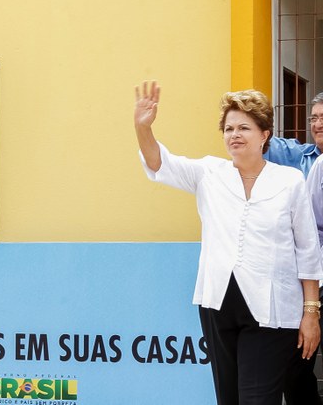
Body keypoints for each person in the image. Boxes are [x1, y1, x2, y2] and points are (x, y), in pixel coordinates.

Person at [134, 81, 323, 404]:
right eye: (229, 128)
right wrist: (143, 128)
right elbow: (159, 163)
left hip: (272, 311)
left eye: (244, 128)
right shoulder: (210, 173)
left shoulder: (289, 181)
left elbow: (307, 250)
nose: (234, 134)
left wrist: (311, 312)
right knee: (229, 398)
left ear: (264, 135)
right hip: (218, 304)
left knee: (256, 398)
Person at [266, 93, 323, 405]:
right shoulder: (301, 158)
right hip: (308, 277)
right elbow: (259, 136)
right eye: (314, 118)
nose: (317, 124)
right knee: (297, 363)